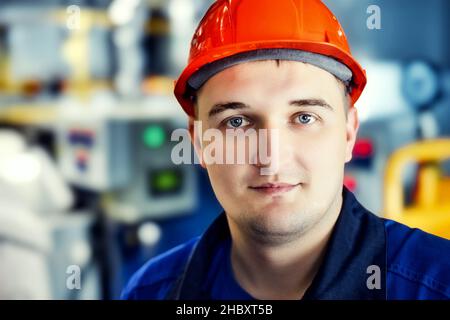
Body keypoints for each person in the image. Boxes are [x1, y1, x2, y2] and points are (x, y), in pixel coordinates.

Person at [122, 0, 450, 300]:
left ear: (348, 133)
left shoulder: (437, 285)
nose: (272, 158)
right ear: (198, 142)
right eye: (237, 122)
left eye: (304, 117)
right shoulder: (151, 291)